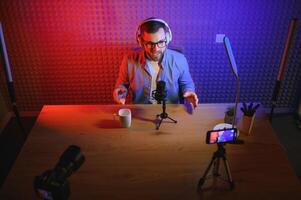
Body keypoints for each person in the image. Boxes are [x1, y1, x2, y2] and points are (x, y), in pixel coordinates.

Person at [113, 18, 198, 107]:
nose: (156, 49)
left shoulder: (180, 59)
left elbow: (186, 83)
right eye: (150, 43)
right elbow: (122, 84)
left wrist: (189, 91)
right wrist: (120, 91)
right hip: (141, 111)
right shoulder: (128, 60)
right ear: (141, 42)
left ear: (168, 39)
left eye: (161, 42)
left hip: (170, 111)